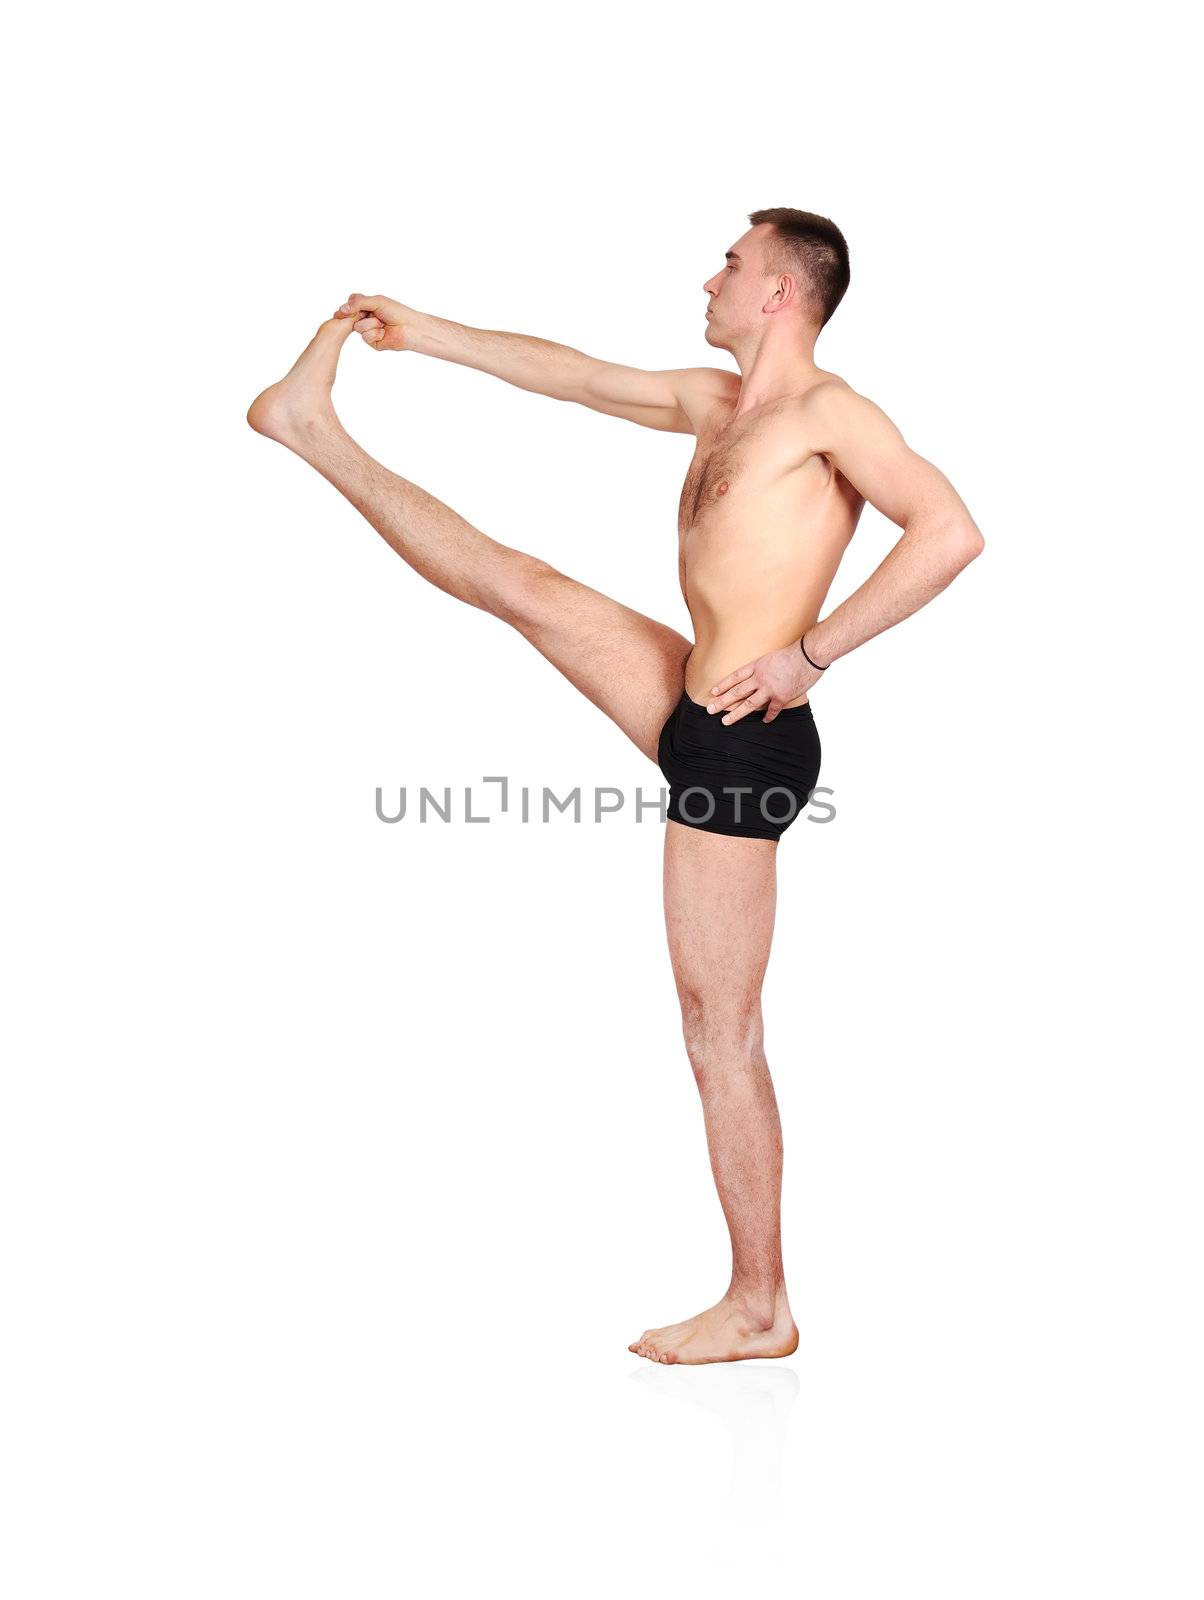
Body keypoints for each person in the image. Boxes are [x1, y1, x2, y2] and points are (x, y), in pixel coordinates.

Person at [247, 207, 984, 1365]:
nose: (711, 278)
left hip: (748, 749)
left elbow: (947, 532)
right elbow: (579, 378)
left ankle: (760, 1303)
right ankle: (308, 426)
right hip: (697, 711)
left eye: (732, 265)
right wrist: (425, 331)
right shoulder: (715, 403)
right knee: (524, 585)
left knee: (719, 1029)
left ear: (782, 292)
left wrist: (810, 655)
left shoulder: (830, 415)